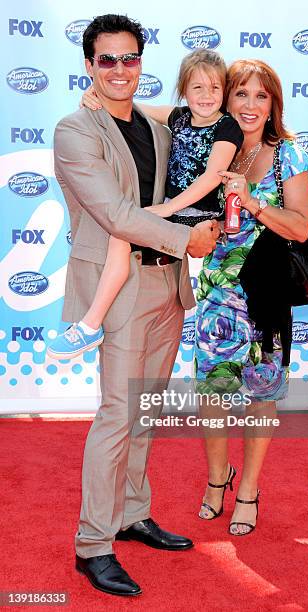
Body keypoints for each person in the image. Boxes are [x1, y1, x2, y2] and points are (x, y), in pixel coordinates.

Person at [53, 14, 220, 597]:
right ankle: (93, 543)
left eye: (130, 59)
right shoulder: (75, 131)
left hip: (168, 286)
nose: (120, 70)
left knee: (144, 412)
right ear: (89, 65)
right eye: (107, 60)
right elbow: (116, 214)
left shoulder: (156, 128)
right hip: (120, 291)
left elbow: (198, 137)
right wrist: (188, 241)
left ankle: (131, 513)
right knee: (117, 416)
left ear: (140, 63)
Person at [47, 49, 243, 359]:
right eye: (197, 88)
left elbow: (211, 178)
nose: (206, 95)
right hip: (173, 214)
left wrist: (166, 209)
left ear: (225, 91)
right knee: (121, 232)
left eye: (215, 87)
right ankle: (91, 323)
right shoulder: (179, 117)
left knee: (125, 229)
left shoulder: (227, 126)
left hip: (199, 214)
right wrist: (94, 93)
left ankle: (90, 323)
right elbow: (131, 106)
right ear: (183, 91)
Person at [195, 59, 308, 535]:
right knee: (212, 397)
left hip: (263, 296)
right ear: (226, 100)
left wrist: (255, 203)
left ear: (273, 105)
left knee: (261, 397)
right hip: (215, 295)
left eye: (259, 96)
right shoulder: (215, 148)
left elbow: (302, 227)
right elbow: (166, 113)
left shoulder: (289, 153)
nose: (248, 104)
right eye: (240, 94)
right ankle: (215, 482)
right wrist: (101, 98)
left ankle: (249, 490)